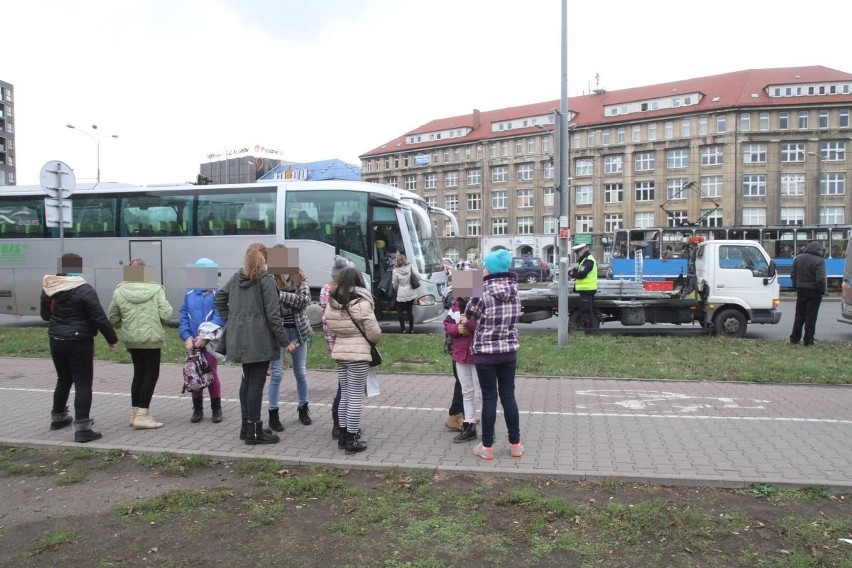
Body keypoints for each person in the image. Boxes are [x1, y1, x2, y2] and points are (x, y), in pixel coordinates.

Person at [214, 243, 289, 444]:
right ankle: (254, 431)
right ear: (265, 259)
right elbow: (274, 316)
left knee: (247, 381)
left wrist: (231, 320)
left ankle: (246, 427)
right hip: (259, 338)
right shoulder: (266, 280)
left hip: (239, 337)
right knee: (256, 382)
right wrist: (285, 341)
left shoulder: (237, 278)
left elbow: (219, 298)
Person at [41, 253, 119, 443]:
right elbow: (98, 317)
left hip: (56, 339)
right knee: (83, 382)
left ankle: (58, 417)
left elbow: (45, 315)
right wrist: (111, 338)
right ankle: (82, 428)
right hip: (79, 341)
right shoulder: (84, 289)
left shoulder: (49, 288)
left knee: (63, 378)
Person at [462, 249, 523, 460]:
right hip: (509, 351)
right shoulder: (515, 290)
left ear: (490, 268)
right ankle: (515, 444)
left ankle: (487, 446)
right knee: (508, 396)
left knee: (489, 398)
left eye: (485, 266)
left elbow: (468, 315)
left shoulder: (482, 290)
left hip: (486, 353)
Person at [108, 259, 173, 430]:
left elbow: (113, 317)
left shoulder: (120, 291)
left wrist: (122, 324)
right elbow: (166, 315)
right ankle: (143, 415)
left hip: (132, 339)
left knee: (138, 373)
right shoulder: (156, 289)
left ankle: (135, 412)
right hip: (152, 339)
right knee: (151, 374)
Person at [324, 266, 381, 454]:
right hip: (358, 355)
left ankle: (342, 436)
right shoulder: (362, 303)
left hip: (340, 352)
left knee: (345, 396)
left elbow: (331, 330)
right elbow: (374, 333)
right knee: (355, 397)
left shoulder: (332, 303)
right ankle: (351, 439)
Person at [179, 257, 225, 424]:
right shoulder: (189, 294)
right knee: (194, 373)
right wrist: (186, 337)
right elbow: (183, 316)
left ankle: (216, 408)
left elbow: (219, 317)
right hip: (192, 342)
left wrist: (204, 337)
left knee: (211, 373)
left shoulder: (218, 294)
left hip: (210, 342)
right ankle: (197, 409)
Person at [267, 267, 313, 431]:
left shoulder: (300, 277)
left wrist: (281, 296)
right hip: (278, 332)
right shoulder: (270, 279)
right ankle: (273, 413)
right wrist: (292, 300)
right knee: (276, 374)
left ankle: (303, 408)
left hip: (299, 331)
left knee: (300, 371)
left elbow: (304, 301)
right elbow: (271, 307)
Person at [320, 255, 358, 440]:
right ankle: (342, 427)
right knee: (347, 390)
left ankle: (340, 425)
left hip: (333, 343)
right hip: (346, 344)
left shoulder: (325, 289)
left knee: (343, 386)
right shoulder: (346, 292)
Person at [444, 296, 479, 443]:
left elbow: (484, 325)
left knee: (478, 391)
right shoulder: (456, 305)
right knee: (465, 388)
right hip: (459, 352)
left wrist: (469, 326)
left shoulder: (480, 302)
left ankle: (484, 424)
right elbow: (447, 324)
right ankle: (464, 420)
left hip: (474, 352)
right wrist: (458, 328)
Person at [788, 241, 827, 346]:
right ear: (818, 250)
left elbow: (793, 274)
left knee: (799, 315)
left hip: (801, 290)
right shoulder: (819, 261)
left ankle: (794, 338)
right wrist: (822, 291)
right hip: (814, 292)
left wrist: (796, 286)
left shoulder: (799, 258)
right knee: (811, 317)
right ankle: (808, 340)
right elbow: (821, 279)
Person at [568, 243, 598, 330]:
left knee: (586, 311)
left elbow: (582, 274)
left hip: (587, 290)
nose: (577, 255)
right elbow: (580, 269)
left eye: (577, 253)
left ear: (582, 251)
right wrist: (574, 270)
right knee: (585, 310)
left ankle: (590, 331)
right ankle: (589, 330)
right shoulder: (585, 259)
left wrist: (571, 273)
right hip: (586, 290)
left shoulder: (588, 260)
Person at [392, 253, 419, 334]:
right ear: (405, 260)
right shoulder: (410, 267)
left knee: (400, 312)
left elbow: (395, 284)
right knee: (410, 311)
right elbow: (418, 276)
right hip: (411, 291)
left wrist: (398, 290)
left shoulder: (395, 270)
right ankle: (411, 329)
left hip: (401, 293)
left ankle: (403, 329)